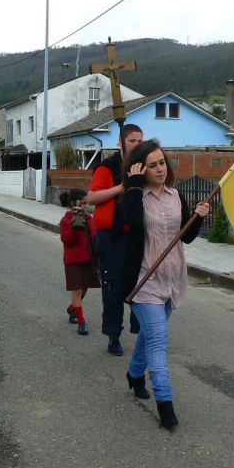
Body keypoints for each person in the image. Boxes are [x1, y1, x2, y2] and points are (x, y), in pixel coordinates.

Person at [121, 139, 209, 429]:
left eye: (161, 163)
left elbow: (186, 236)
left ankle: (134, 374)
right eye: (151, 165)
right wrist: (133, 184)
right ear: (140, 169)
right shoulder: (135, 196)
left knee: (149, 337)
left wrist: (197, 217)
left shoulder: (175, 195)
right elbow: (132, 223)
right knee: (158, 341)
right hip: (145, 280)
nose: (159, 169)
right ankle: (165, 403)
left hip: (172, 279)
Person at [84, 123, 144, 356]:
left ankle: (141, 330)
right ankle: (113, 334)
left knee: (140, 284)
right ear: (121, 142)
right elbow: (91, 197)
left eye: (140, 141)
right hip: (111, 237)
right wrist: (121, 187)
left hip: (136, 236)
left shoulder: (144, 166)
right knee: (113, 287)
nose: (137, 145)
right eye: (132, 141)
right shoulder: (107, 167)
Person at [59, 188, 101, 335]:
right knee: (77, 290)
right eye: (82, 203)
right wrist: (75, 225)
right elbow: (67, 241)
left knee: (84, 288)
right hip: (73, 261)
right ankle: (81, 322)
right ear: (73, 203)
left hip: (89, 260)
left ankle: (72, 308)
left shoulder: (90, 218)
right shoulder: (66, 220)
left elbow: (95, 238)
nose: (85, 206)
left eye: (86, 204)